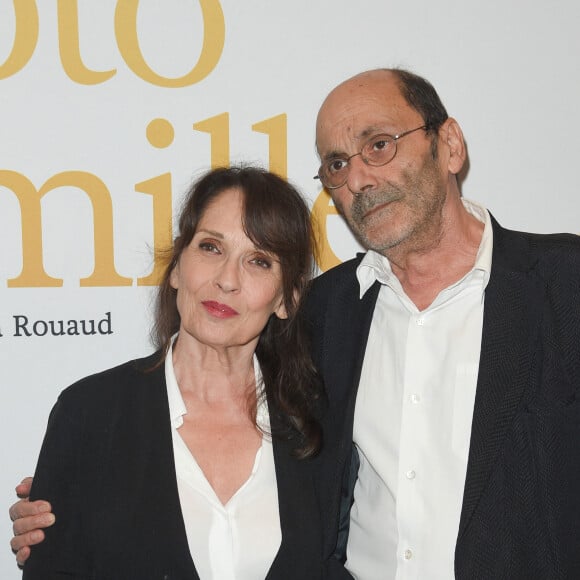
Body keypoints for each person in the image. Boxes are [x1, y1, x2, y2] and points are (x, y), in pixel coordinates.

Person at [11, 68, 580, 579]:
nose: (357, 178)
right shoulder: (331, 314)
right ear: (177, 267)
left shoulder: (565, 285)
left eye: (378, 145)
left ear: (449, 144)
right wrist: (70, 510)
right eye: (337, 163)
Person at [11, 165, 326, 580]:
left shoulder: (318, 425)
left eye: (259, 261)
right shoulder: (89, 413)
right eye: (211, 248)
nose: (227, 280)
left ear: (288, 298)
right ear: (177, 266)